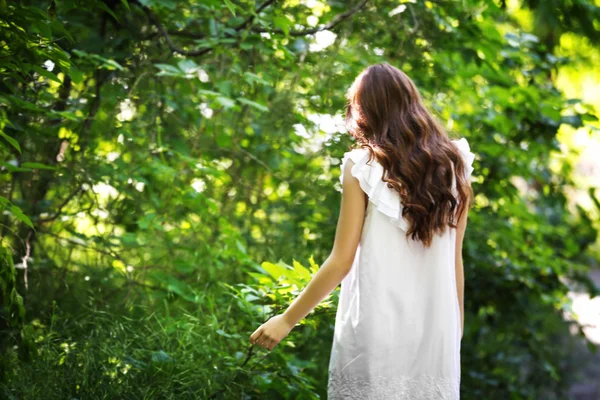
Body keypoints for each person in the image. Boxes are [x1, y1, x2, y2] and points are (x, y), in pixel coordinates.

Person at [249, 63, 475, 399]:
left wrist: (286, 319)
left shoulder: (362, 166)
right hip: (436, 330)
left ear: (365, 111)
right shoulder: (455, 165)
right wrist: (454, 326)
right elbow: (454, 260)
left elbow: (341, 260)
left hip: (378, 325)